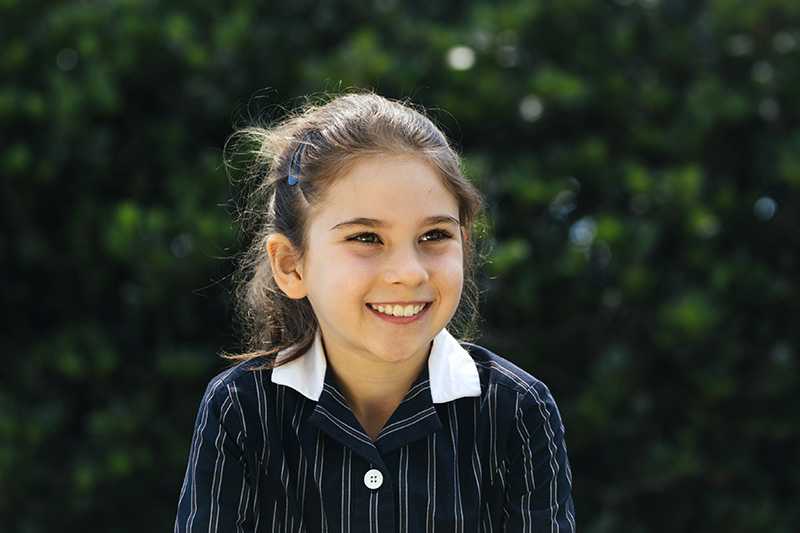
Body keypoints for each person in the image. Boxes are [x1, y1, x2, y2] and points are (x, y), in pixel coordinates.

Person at [174, 91, 576, 532]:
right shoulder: (241, 409)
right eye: (366, 238)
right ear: (291, 265)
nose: (408, 273)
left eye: (434, 235)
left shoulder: (517, 409)